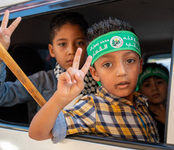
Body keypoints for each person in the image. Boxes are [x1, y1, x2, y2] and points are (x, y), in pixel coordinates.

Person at [29, 18, 159, 143]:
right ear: (95, 73)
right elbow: (38, 133)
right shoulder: (93, 108)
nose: (122, 72)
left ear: (140, 65)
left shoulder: (142, 103)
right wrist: (59, 98)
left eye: (130, 61)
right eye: (107, 64)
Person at [0, 10, 98, 119]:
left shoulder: (99, 78)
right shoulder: (42, 81)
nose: (71, 50)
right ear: (51, 50)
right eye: (62, 44)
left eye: (79, 43)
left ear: (87, 46)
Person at [136, 63, 169, 142]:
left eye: (159, 82)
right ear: (139, 91)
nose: (154, 88)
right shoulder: (140, 117)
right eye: (147, 85)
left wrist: (167, 121)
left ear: (169, 85)